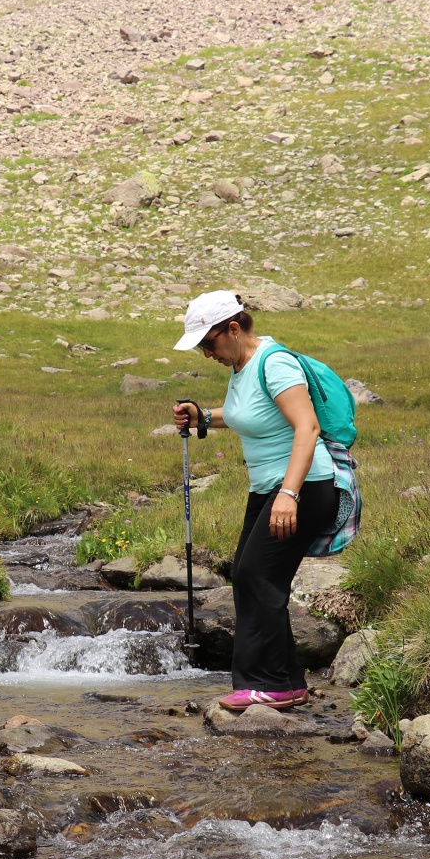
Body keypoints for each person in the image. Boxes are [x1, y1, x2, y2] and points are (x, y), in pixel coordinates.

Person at [171, 291, 338, 711]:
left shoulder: (274, 362)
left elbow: (308, 427)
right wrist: (204, 416)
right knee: (250, 578)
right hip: (270, 488)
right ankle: (289, 681)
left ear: (232, 328)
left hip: (304, 486)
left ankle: (270, 684)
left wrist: (289, 494)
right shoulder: (242, 365)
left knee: (258, 576)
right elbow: (253, 414)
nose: (207, 353)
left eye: (208, 343)